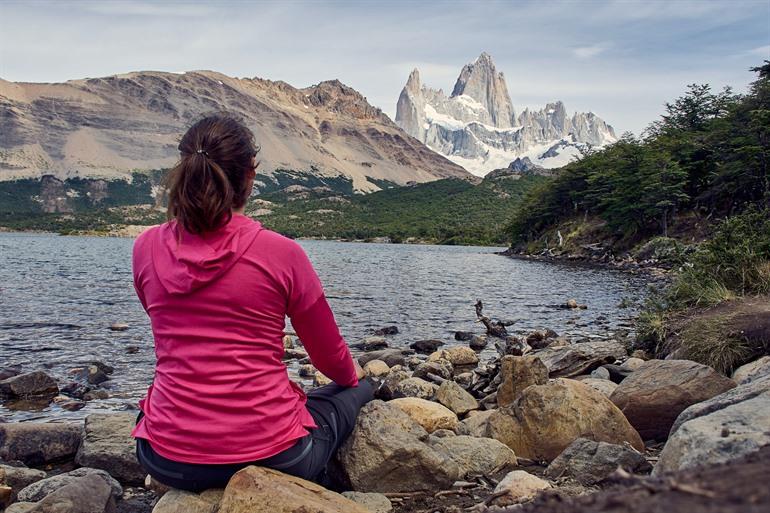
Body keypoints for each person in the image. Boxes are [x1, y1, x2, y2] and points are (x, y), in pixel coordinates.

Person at [130, 113, 373, 492]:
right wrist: (352, 379)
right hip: (275, 455)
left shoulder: (145, 247)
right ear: (250, 175)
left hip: (167, 459)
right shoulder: (283, 253)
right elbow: (328, 356)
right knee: (353, 390)